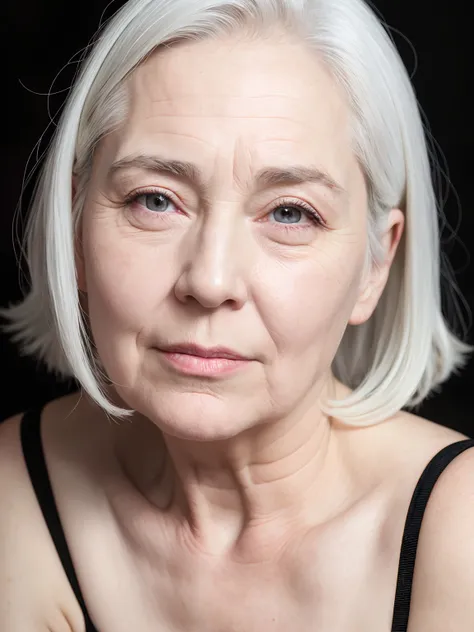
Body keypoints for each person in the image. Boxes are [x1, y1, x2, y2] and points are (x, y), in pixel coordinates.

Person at [0, 0, 473, 630]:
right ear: (75, 225)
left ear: (375, 267)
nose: (210, 280)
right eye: (155, 200)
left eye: (289, 213)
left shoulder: (459, 530)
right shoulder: (13, 492)